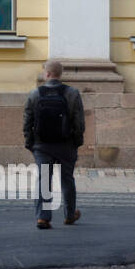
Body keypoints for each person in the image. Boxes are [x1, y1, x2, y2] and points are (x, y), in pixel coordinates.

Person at [23, 60, 86, 229]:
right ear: (60, 74)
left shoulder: (35, 94)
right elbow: (79, 121)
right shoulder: (72, 93)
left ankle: (43, 217)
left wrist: (31, 143)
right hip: (66, 144)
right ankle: (70, 215)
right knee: (67, 179)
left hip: (42, 145)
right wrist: (76, 142)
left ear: (47, 74)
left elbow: (27, 121)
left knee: (44, 179)